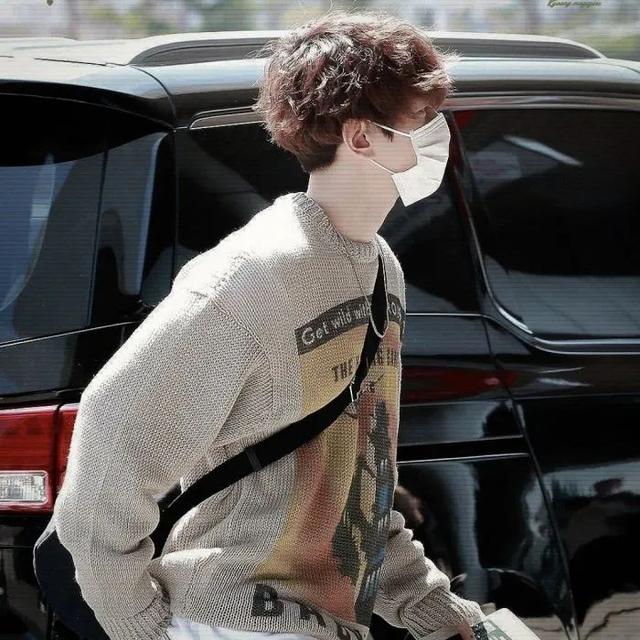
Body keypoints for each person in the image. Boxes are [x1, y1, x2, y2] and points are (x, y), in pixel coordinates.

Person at [53, 8, 485, 640]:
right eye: (422, 119)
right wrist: (140, 624)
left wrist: (432, 609)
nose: (439, 135)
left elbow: (358, 481)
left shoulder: (378, 268)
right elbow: (109, 447)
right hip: (235, 621)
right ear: (361, 137)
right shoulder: (252, 277)